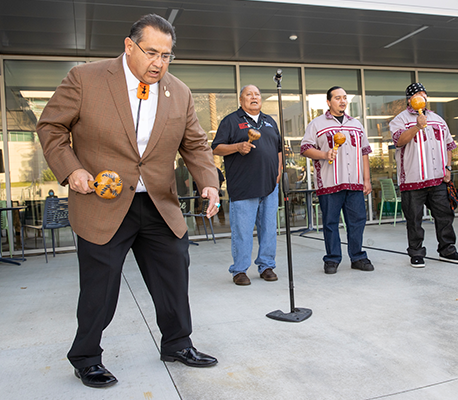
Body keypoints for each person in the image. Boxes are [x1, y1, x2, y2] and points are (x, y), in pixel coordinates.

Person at [36, 14, 221, 389]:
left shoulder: (179, 92)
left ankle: (177, 344)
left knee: (173, 277)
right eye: (151, 52)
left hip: (158, 203)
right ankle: (86, 357)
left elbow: (196, 144)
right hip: (102, 202)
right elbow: (51, 126)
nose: (158, 63)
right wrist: (72, 170)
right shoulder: (85, 78)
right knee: (99, 289)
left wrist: (209, 182)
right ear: (128, 45)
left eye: (167, 56)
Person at [212, 85, 282, 286]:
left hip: (269, 185)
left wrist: (278, 171)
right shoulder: (231, 121)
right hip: (243, 187)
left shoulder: (270, 121)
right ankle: (240, 270)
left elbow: (278, 149)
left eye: (257, 94)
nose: (254, 97)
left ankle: (267, 266)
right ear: (241, 100)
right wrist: (237, 147)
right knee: (242, 231)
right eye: (249, 94)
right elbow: (216, 148)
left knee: (268, 229)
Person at [389, 83, 458, 268]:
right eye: (417, 95)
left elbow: (449, 146)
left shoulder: (438, 119)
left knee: (445, 215)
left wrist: (447, 168)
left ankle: (447, 249)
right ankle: (416, 253)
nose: (421, 97)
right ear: (409, 99)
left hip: (438, 178)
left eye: (424, 94)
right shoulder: (400, 120)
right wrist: (416, 127)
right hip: (412, 180)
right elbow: (399, 141)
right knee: (414, 220)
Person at [301, 86, 374, 275]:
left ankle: (357, 256)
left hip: (355, 181)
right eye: (337, 98)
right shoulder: (317, 124)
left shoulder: (356, 124)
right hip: (329, 182)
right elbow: (305, 149)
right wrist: (325, 154)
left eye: (344, 98)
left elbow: (365, 152)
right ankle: (332, 258)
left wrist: (367, 179)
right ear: (328, 102)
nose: (342, 101)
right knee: (330, 222)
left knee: (357, 221)